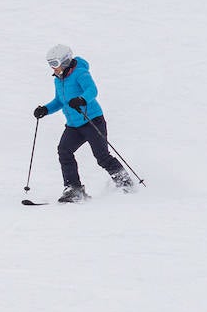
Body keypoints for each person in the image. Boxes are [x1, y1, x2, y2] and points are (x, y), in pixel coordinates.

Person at [33, 45, 133, 201]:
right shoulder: (58, 80)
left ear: (65, 61)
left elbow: (92, 90)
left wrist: (82, 99)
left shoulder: (80, 73)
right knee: (64, 151)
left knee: (102, 157)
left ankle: (126, 184)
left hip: (92, 120)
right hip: (74, 125)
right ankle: (74, 189)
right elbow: (60, 101)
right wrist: (45, 110)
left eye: (55, 63)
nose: (53, 67)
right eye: (50, 63)